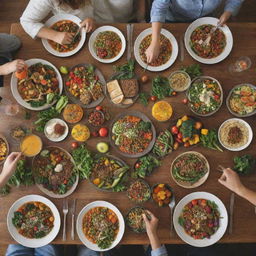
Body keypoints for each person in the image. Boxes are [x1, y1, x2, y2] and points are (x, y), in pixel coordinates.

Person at [146, 0, 244, 63]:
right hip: (172, 19)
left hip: (206, 17)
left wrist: (228, 12)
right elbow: (158, 7)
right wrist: (155, 42)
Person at [20, 0, 146, 45]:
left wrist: (141, 20)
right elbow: (26, 21)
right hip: (77, 31)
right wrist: (55, 35)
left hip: (112, 20)